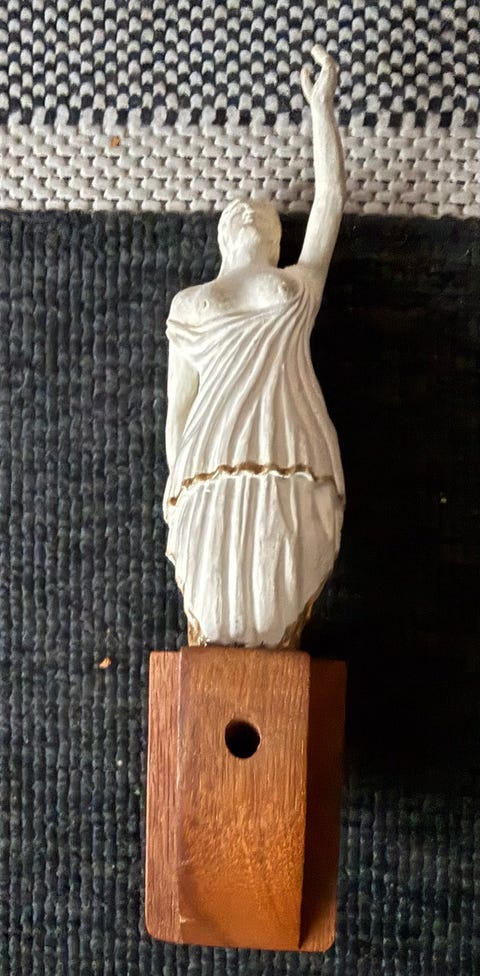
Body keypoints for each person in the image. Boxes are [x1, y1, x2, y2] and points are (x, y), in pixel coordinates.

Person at [163, 46, 346, 648]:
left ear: (276, 240)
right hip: (211, 452)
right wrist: (178, 489)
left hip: (287, 439)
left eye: (264, 217)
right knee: (213, 580)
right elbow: (178, 409)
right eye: (239, 213)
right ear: (222, 235)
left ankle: (278, 640)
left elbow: (330, 201)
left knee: (280, 568)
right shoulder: (189, 303)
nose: (250, 214)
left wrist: (321, 111)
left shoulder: (298, 283)